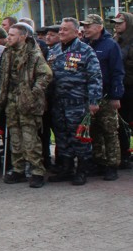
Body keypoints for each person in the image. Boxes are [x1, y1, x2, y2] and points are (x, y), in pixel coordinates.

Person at [48, 18, 103, 185]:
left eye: (65, 30)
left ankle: (82, 170)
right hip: (58, 102)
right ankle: (66, 168)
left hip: (77, 102)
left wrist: (94, 101)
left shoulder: (85, 50)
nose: (61, 32)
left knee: (78, 136)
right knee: (62, 137)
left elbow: (95, 77)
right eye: (60, 29)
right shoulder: (54, 50)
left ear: (75, 32)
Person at [0, 24, 53, 187]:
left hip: (28, 103)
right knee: (15, 138)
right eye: (8, 35)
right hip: (11, 101)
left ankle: (37, 171)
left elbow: (46, 75)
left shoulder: (33, 54)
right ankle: (18, 169)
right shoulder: (7, 52)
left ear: (23, 36)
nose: (8, 37)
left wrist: (33, 93)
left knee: (30, 139)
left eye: (12, 35)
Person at [81, 14, 124, 181]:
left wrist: (116, 96)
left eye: (88, 26)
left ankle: (112, 165)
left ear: (99, 27)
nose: (85, 29)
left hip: (106, 96)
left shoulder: (110, 45)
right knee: (94, 131)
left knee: (109, 131)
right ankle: (99, 161)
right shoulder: (84, 45)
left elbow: (117, 72)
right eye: (84, 26)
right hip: (89, 96)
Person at [111, 12, 133, 170]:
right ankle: (124, 154)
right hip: (120, 89)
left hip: (131, 87)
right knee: (121, 123)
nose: (117, 25)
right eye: (115, 22)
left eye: (120, 22)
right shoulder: (114, 41)